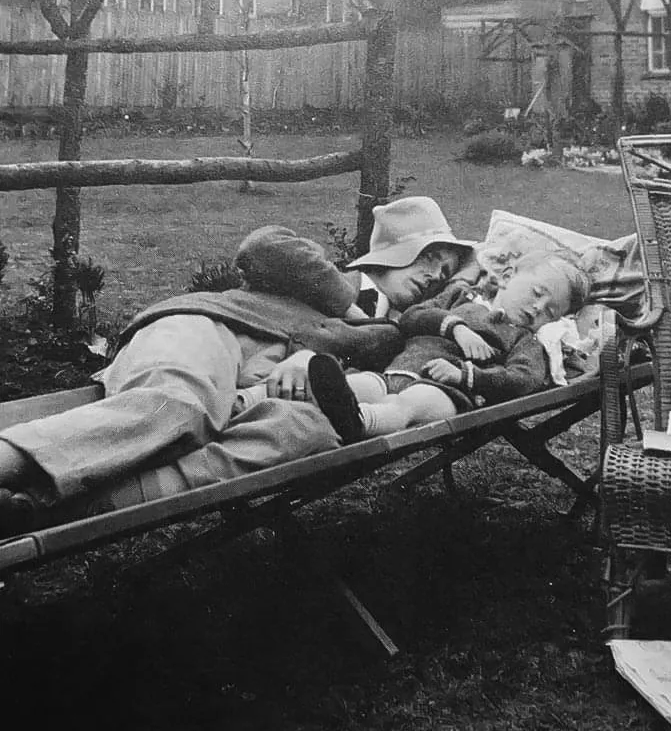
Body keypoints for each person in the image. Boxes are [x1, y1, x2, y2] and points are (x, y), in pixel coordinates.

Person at [0, 196, 475, 533]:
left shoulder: (397, 332)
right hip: (210, 334)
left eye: (445, 271)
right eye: (430, 258)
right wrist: (347, 307)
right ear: (392, 252)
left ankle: (32, 511)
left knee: (306, 433)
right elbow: (262, 245)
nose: (436, 274)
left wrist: (316, 360)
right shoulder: (327, 277)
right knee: (180, 407)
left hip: (249, 395)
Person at [306, 250, 592, 444]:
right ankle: (303, 398)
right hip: (396, 372)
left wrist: (466, 375)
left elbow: (523, 379)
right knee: (360, 385)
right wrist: (456, 327)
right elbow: (411, 317)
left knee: (407, 404)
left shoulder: (525, 341)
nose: (538, 307)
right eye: (537, 292)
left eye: (550, 312)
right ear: (507, 276)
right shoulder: (460, 296)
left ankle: (360, 422)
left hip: (448, 393)